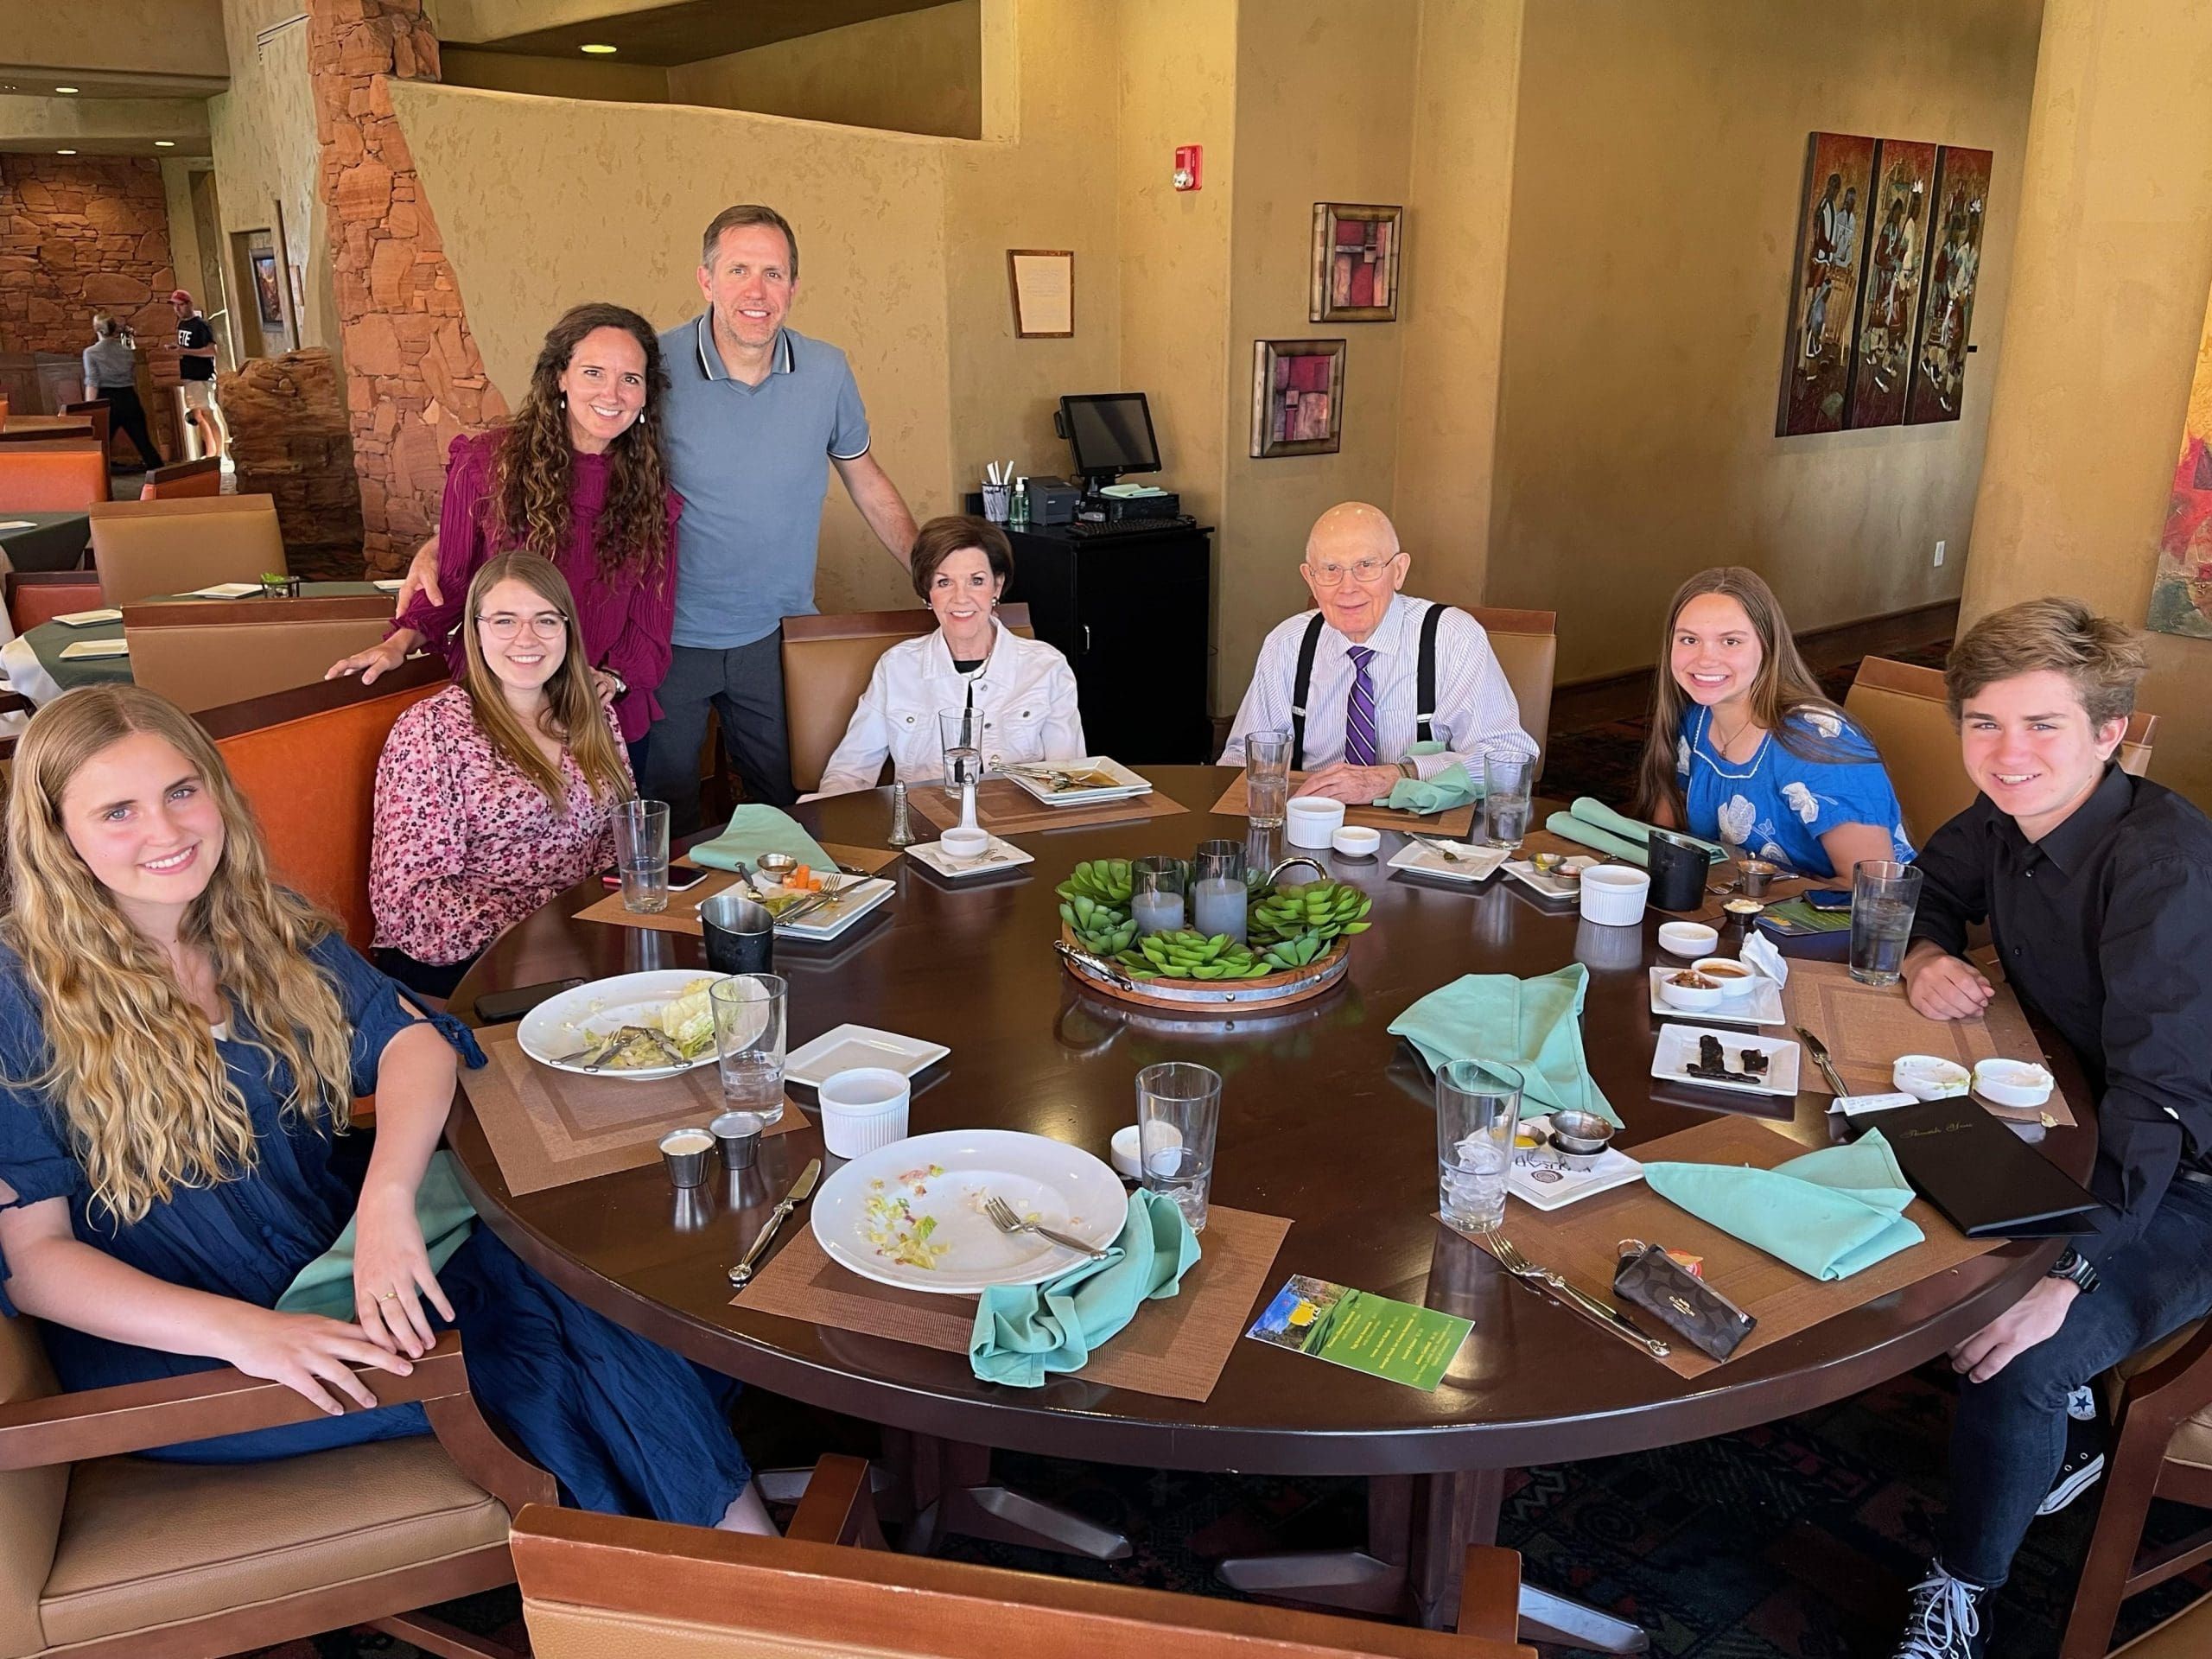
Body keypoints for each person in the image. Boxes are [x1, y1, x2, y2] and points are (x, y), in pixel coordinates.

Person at [0, 683, 773, 1532]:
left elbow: (412, 1043)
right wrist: (249, 1334)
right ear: (59, 837)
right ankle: (751, 1571)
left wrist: (384, 1205)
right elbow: (36, 1261)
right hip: (194, 1353)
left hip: (328, 1261)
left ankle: (714, 1544)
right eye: (117, 810)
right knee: (544, 1345)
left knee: (587, 1272)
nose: (167, 830)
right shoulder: (17, 995)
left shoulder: (262, 927)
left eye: (182, 790)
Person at [1883, 600, 2212, 1659]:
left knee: (2013, 1347)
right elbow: (1925, 884)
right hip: (2079, 1122)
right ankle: (2058, 1417)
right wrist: (1928, 952)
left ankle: (1962, 1587)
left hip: (2189, 1178)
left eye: (2042, 726)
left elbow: (2164, 1106)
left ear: (2110, 731)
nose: (2007, 753)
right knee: (1872, 1159)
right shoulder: (2005, 821)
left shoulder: (2160, 867)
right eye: (1983, 724)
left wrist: (2065, 1268)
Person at [390, 207, 919, 830]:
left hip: (776, 633)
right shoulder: (650, 365)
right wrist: (443, 542)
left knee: (783, 797)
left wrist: (931, 572)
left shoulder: (827, 371)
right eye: (739, 270)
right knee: (664, 809)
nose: (757, 290)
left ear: (793, 288)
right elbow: (564, 461)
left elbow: (866, 478)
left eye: (773, 273)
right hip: (668, 639)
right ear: (706, 280)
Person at [329, 303, 678, 769]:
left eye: (630, 379)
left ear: (645, 395)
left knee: (611, 842)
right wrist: (399, 642)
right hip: (502, 711)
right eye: (593, 372)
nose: (611, 394)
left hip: (601, 718)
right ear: (560, 377)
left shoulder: (652, 494)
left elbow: (650, 623)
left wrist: (613, 679)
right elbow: (452, 580)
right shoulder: (488, 466)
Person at [369, 553, 634, 998]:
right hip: (460, 957)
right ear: (475, 630)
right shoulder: (433, 731)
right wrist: (546, 925)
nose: (526, 639)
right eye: (505, 621)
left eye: (546, 621)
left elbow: (618, 841)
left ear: (567, 631)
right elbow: (410, 903)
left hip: (579, 936)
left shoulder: (593, 716)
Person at [1218, 501, 1535, 804]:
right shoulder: (1286, 644)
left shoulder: (1452, 638)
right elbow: (1241, 760)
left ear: (1399, 571)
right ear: (1310, 580)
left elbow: (1508, 759)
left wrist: (1399, 775)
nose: (1347, 587)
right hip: (1309, 828)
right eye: (1330, 569)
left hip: (1423, 837)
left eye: (1366, 566)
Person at [1634, 566, 1911, 880]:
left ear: (1767, 647)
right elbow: (1664, 844)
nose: (1705, 658)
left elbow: (1871, 888)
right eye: (1689, 639)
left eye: (1731, 642)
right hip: (1736, 916)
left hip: (1829, 922)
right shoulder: (1694, 723)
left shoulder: (1816, 743)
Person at [814, 516, 1083, 796]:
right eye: (944, 583)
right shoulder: (896, 667)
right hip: (921, 830)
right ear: (927, 593)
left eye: (976, 581)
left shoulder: (1047, 668)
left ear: (997, 586)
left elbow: (1068, 781)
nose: (961, 598)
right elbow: (850, 773)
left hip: (1019, 831)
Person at [80, 313, 162, 471]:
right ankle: (163, 480)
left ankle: (95, 479)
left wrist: (90, 410)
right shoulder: (126, 351)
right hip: (129, 397)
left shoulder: (90, 353)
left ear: (96, 329)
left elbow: (92, 382)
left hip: (106, 400)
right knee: (144, 443)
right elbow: (132, 375)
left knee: (100, 445)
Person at [169, 289, 226, 460]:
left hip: (202, 375)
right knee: (198, 415)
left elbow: (211, 351)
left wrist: (185, 351)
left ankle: (220, 454)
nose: (177, 310)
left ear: (189, 305)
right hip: (190, 375)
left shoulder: (201, 325)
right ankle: (210, 452)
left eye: (180, 305)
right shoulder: (181, 324)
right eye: (174, 306)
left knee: (208, 413)